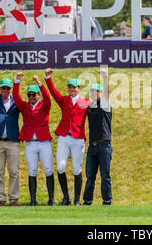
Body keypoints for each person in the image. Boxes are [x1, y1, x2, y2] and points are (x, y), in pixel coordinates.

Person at [44, 69, 91, 206]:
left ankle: (77, 199)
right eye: (69, 87)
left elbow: (99, 105)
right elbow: (53, 92)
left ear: (79, 89)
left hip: (78, 138)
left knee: (77, 169)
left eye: (74, 87)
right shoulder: (64, 100)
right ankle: (66, 198)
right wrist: (48, 78)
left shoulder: (85, 102)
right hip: (64, 137)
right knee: (60, 167)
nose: (71, 89)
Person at [13, 72, 55, 206]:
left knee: (48, 169)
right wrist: (17, 81)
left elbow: (48, 98)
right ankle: (32, 200)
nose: (31, 97)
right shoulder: (24, 106)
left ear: (38, 95)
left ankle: (51, 199)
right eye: (29, 95)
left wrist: (40, 83)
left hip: (44, 142)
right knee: (32, 170)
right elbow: (16, 97)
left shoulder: (44, 105)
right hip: (30, 143)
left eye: (33, 94)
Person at [0, 78, 21, 206]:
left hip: (12, 141)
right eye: (3, 88)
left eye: (8, 88)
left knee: (14, 172)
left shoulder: (16, 101)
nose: (5, 90)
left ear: (11, 89)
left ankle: (13, 199)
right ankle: (0, 199)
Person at [83, 70, 113, 206]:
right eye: (92, 91)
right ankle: (87, 202)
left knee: (105, 176)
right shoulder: (90, 106)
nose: (94, 93)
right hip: (92, 146)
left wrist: (105, 77)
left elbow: (107, 93)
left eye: (97, 91)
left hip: (104, 146)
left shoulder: (105, 105)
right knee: (90, 176)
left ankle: (107, 202)